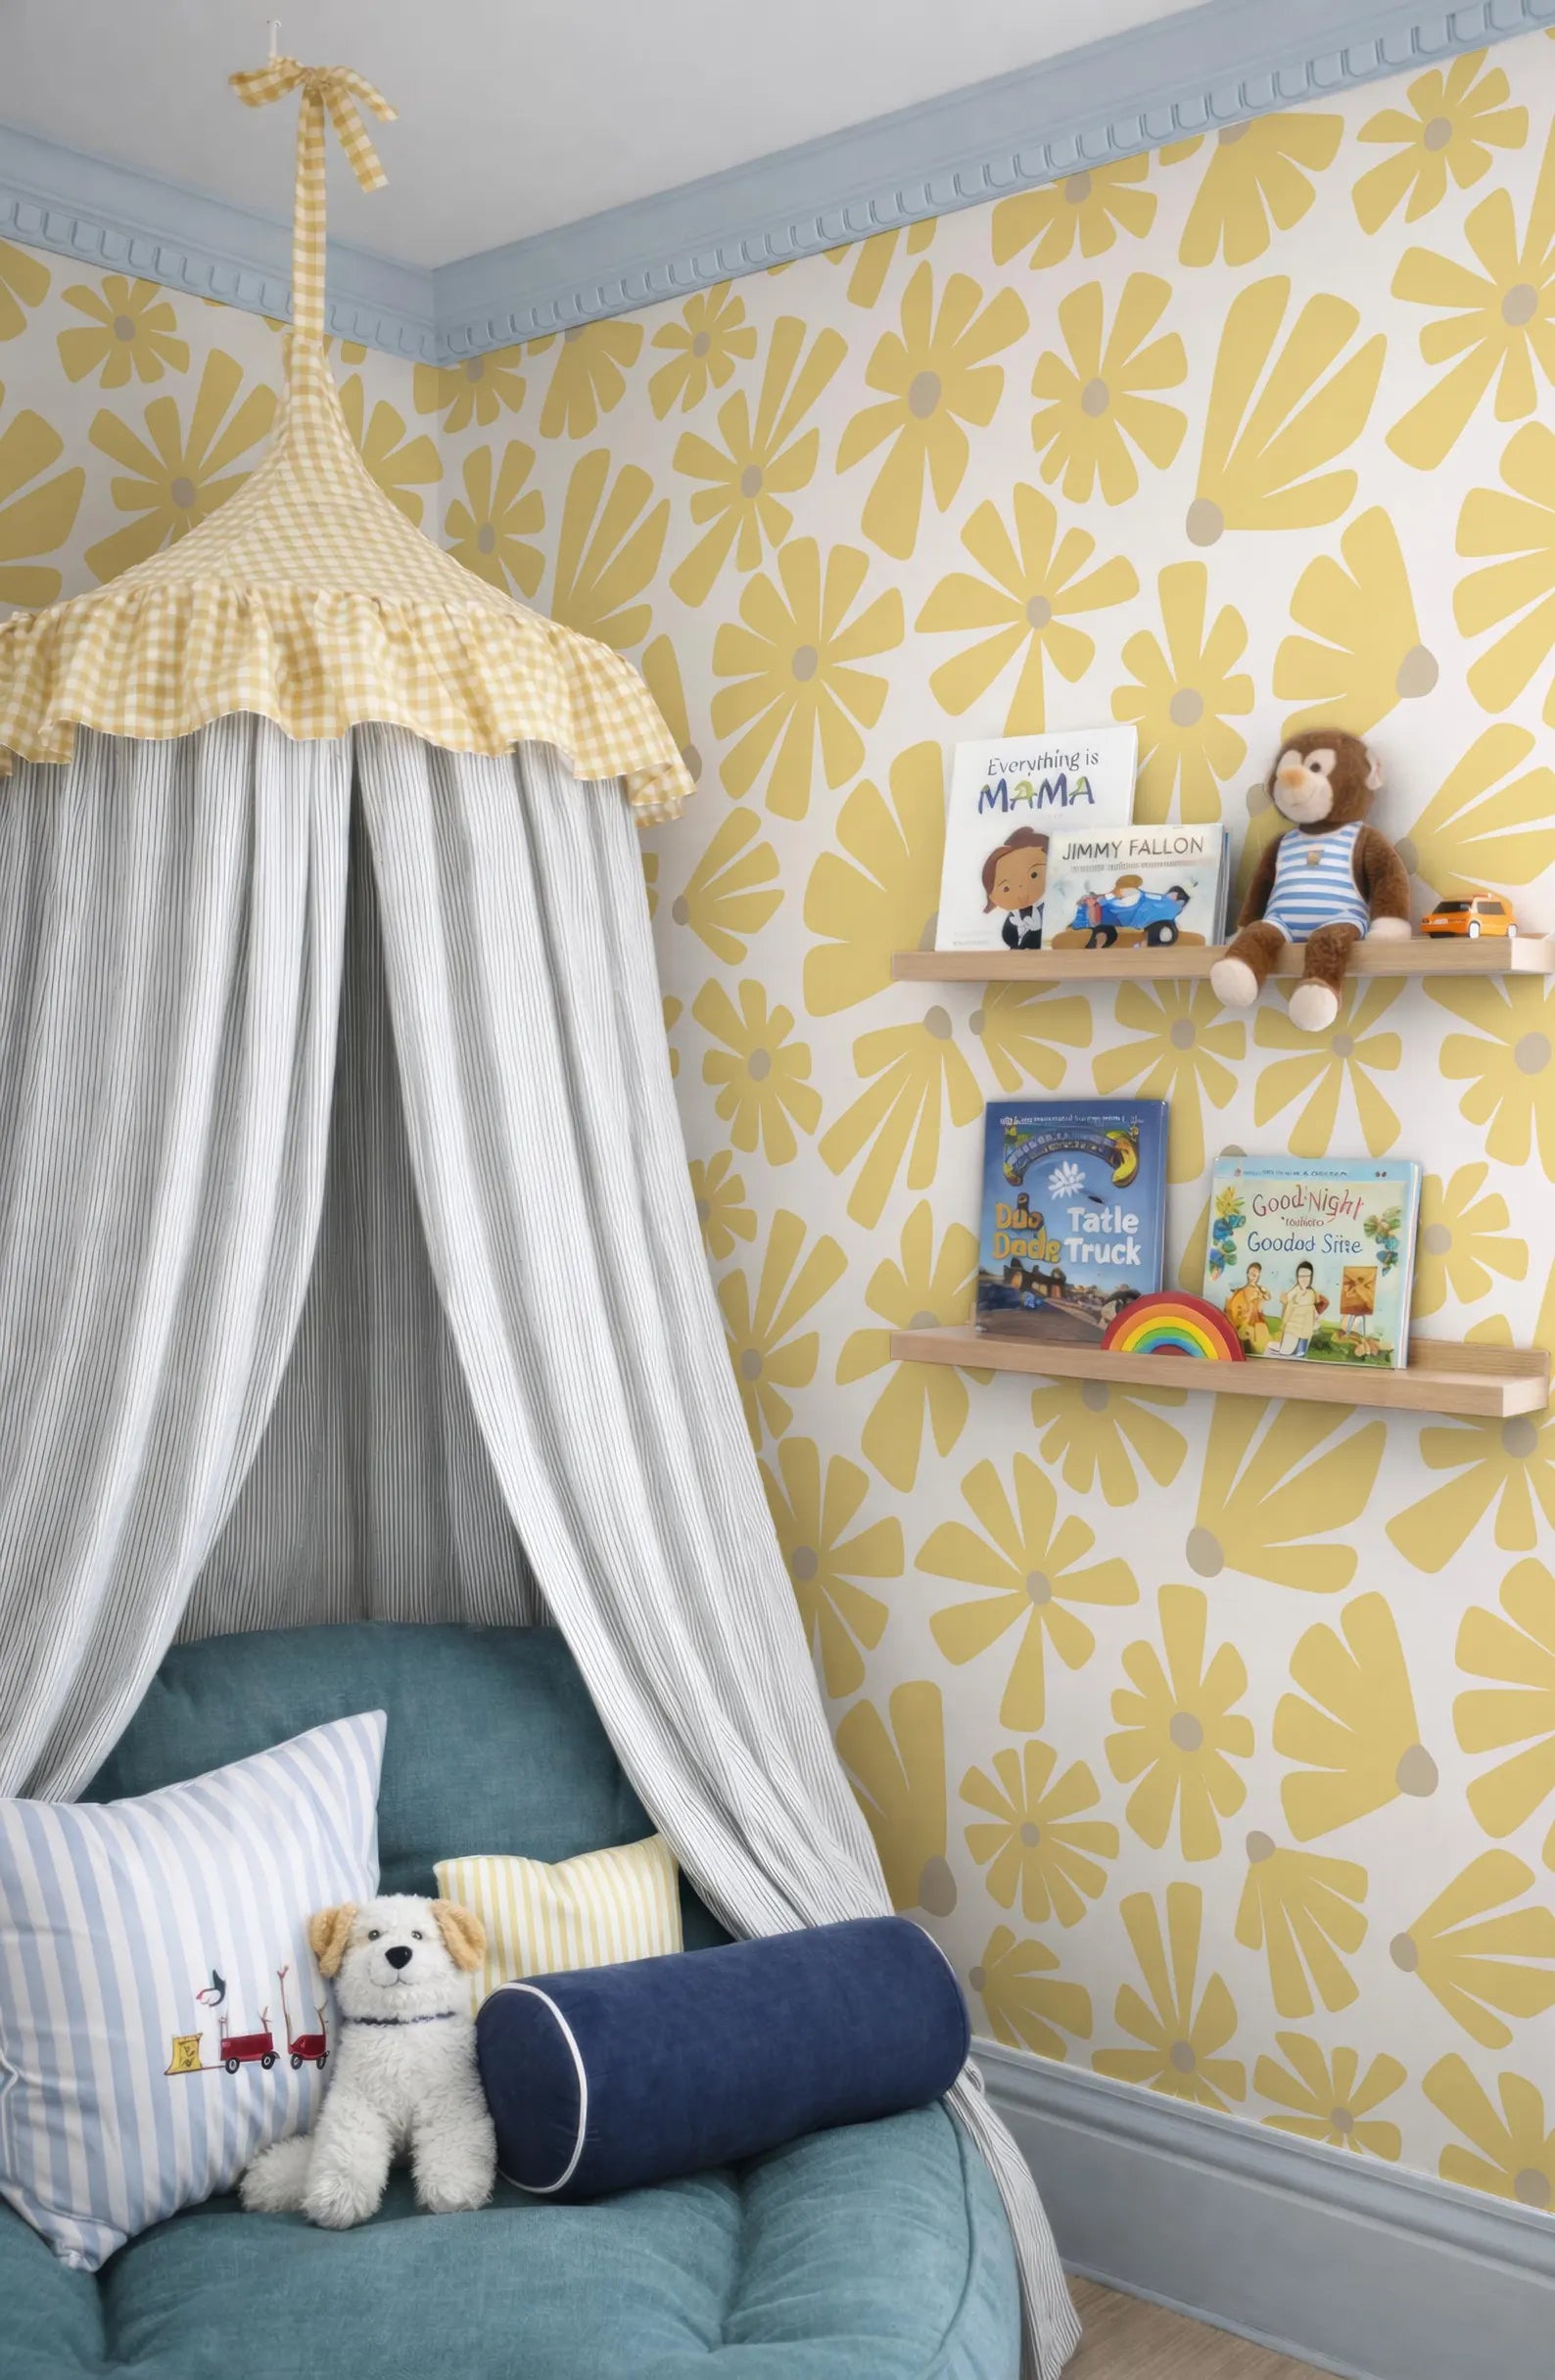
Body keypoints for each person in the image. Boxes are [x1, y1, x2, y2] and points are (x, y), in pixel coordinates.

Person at [981, 827, 1048, 950]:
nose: (1021, 890)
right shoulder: (1013, 916)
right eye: (1006, 888)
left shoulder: (1048, 909)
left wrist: (1035, 930)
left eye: (1034, 874)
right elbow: (1008, 937)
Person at [1273, 1260, 1327, 1358]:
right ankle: (1282, 1346)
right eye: (1301, 1276)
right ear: (1297, 1277)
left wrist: (1316, 1319)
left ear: (1311, 1277)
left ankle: (1301, 1346)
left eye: (1307, 1276)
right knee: (1286, 1351)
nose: (1304, 1279)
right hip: (1294, 1325)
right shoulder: (1296, 1289)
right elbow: (1286, 1299)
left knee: (1301, 1352)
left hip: (1306, 1325)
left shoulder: (1312, 1292)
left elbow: (1315, 1307)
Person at [1225, 1261, 1270, 1353]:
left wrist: (1260, 1291)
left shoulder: (1259, 1290)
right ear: (1247, 1274)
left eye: (1255, 1274)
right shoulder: (1241, 1291)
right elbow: (1235, 1308)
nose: (1253, 1276)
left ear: (1258, 1276)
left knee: (1259, 1339)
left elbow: (1267, 1297)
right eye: (1251, 1273)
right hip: (1244, 1322)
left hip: (1255, 1322)